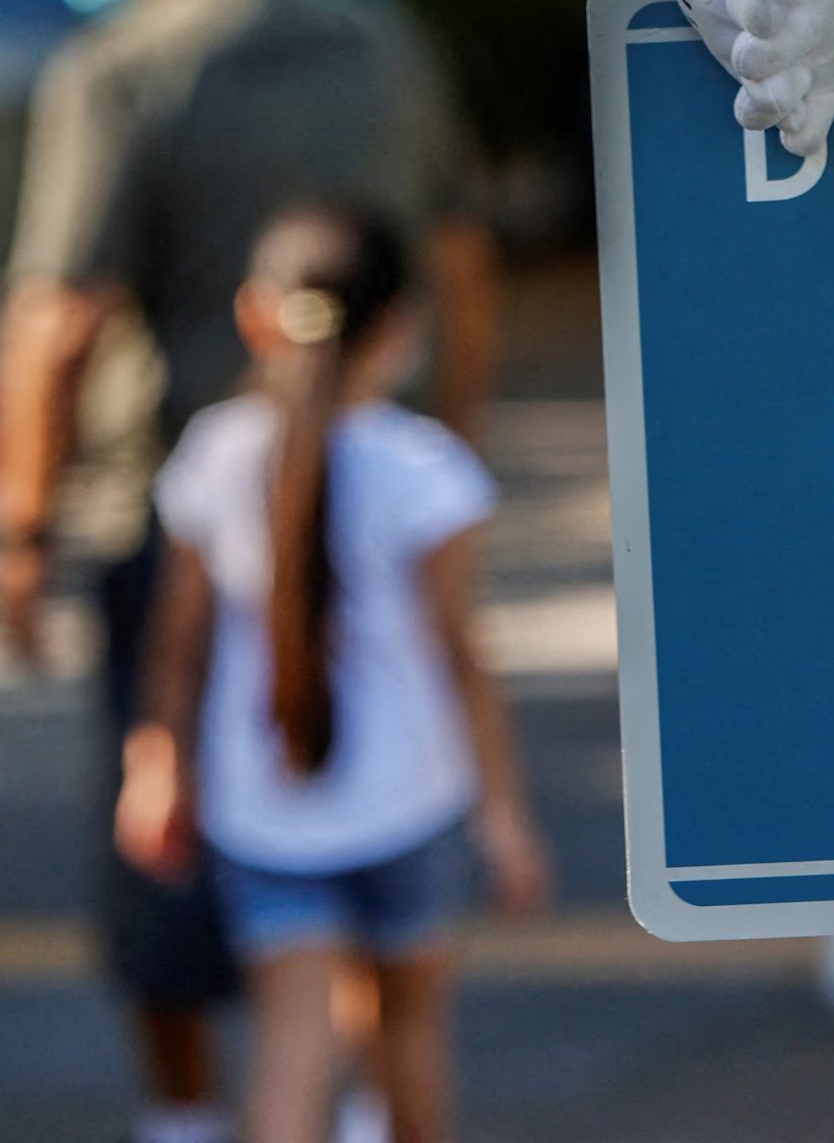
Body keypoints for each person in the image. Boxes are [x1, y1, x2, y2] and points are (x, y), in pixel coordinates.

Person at [0, 0, 500, 1143]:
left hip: (179, 521)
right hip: (372, 500)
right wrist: (439, 453)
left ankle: (190, 1115)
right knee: (371, 817)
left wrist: (19, 536)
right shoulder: (379, 35)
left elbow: (54, 320)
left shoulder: (115, 70)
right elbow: (460, 260)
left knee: (175, 842)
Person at [116, 205, 547, 1143]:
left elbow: (175, 644)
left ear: (254, 317)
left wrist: (158, 764)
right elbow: (460, 655)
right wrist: (505, 812)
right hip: (411, 798)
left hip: (264, 807)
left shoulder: (215, 453)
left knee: (289, 1048)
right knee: (407, 1037)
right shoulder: (429, 471)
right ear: (399, 330)